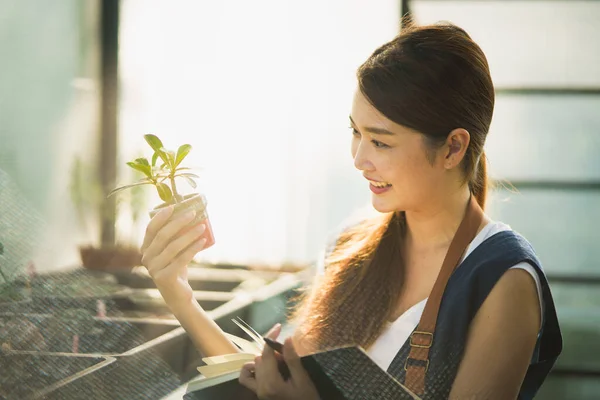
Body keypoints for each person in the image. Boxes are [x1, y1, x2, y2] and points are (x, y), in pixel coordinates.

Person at [140, 21, 562, 399]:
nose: (359, 159)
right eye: (355, 133)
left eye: (380, 141)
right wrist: (179, 292)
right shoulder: (352, 245)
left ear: (453, 146)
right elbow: (266, 382)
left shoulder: (503, 280)